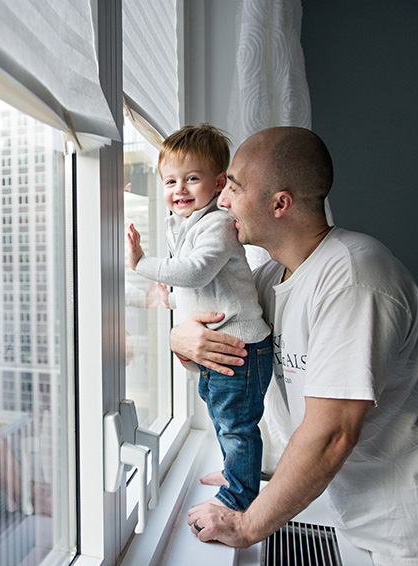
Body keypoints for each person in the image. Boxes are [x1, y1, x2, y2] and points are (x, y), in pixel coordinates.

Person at [175, 126, 418, 565]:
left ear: (280, 203)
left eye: (234, 187)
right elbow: (229, 356)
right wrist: (180, 338)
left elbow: (332, 434)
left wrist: (246, 525)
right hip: (359, 514)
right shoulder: (267, 280)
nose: (221, 200)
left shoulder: (355, 278)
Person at [126, 123, 272, 512]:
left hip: (239, 348)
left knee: (237, 426)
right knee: (221, 416)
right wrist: (169, 299)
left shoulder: (218, 224)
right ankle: (233, 472)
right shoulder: (184, 224)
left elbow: (196, 271)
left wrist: (142, 263)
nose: (180, 190)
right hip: (220, 350)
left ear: (220, 182)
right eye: (170, 181)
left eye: (192, 179)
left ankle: (239, 497)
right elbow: (200, 289)